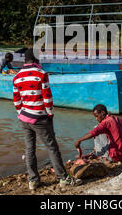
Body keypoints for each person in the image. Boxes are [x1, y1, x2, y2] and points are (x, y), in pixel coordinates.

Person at [13, 49, 77, 190]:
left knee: (30, 149)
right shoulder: (41, 74)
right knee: (52, 148)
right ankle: (62, 178)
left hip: (24, 118)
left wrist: (22, 113)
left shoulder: (17, 77)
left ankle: (33, 181)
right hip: (40, 118)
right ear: (36, 60)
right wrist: (50, 114)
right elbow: (47, 97)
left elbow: (16, 100)